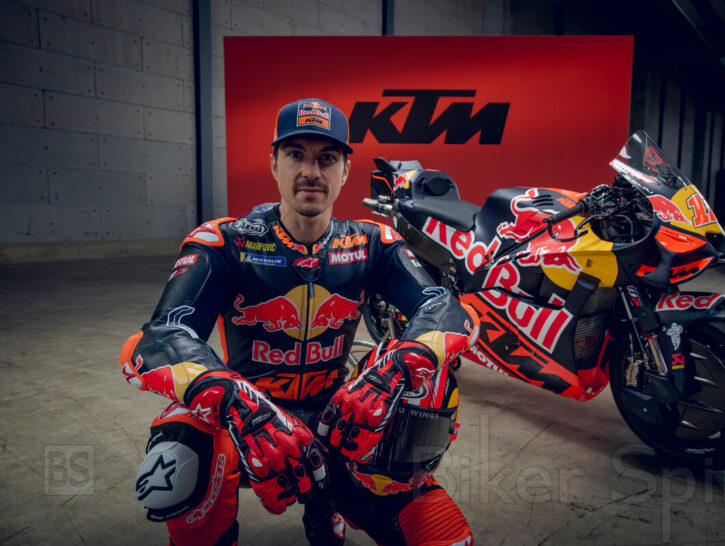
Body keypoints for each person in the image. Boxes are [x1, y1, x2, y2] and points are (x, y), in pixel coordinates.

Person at [120, 98, 478, 545]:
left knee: (429, 387)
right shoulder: (224, 241)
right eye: (296, 155)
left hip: (339, 420)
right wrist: (235, 401)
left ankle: (336, 506)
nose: (311, 171)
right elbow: (161, 336)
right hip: (248, 423)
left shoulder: (374, 242)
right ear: (274, 164)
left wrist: (399, 366)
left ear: (345, 171)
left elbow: (446, 308)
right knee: (181, 444)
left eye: (326, 158)